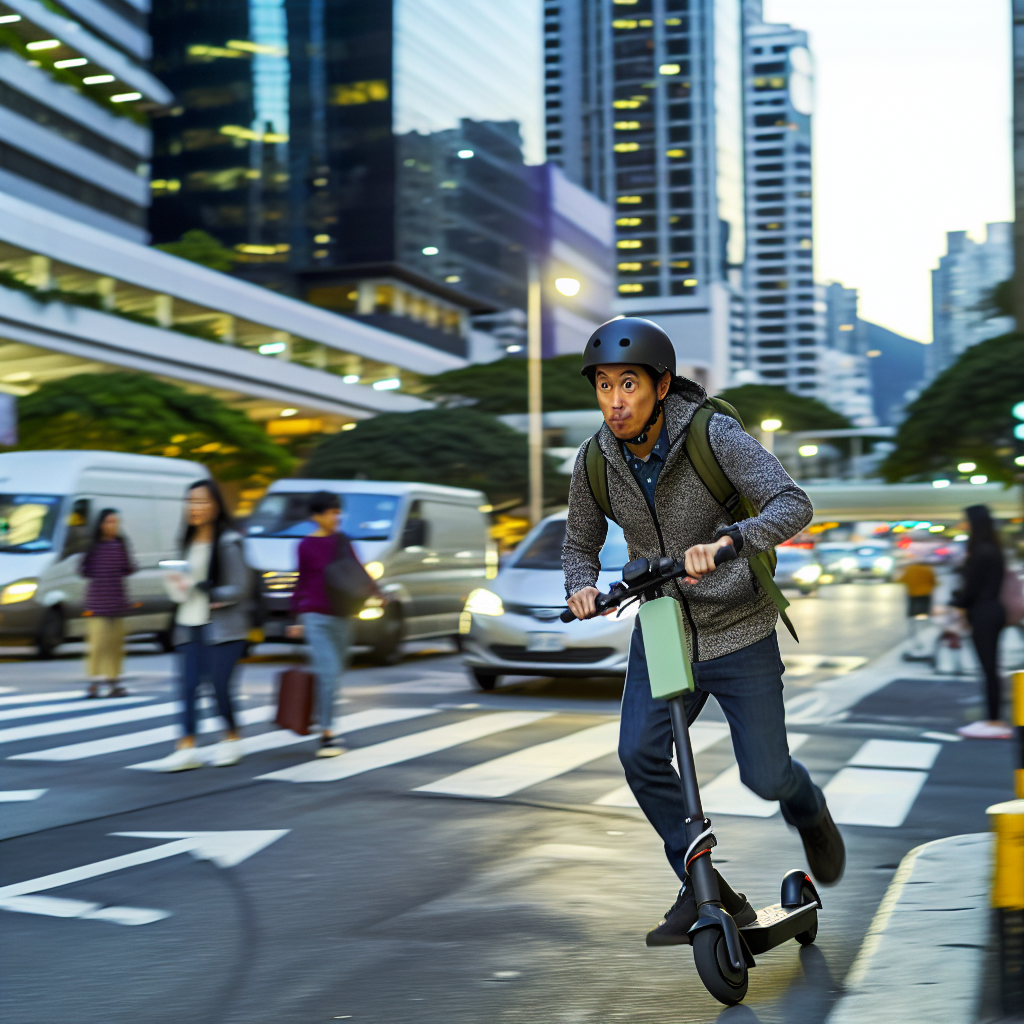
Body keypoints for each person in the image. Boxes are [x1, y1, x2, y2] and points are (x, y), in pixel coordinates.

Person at [563, 317, 845, 947]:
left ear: (661, 386)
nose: (614, 401)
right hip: (663, 628)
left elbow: (791, 502)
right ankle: (704, 891)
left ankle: (809, 809)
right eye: (604, 386)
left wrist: (728, 542)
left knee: (765, 778)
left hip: (739, 626)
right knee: (639, 755)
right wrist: (581, 586)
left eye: (628, 385)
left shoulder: (711, 434)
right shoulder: (594, 460)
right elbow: (579, 543)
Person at [157, 479, 251, 771]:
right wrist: (176, 584)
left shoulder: (228, 542)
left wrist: (208, 591)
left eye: (201, 501)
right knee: (187, 688)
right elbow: (183, 586)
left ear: (216, 505)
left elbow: (240, 587)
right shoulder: (185, 542)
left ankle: (231, 739)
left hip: (223, 628)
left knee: (219, 686)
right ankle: (186, 748)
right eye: (191, 502)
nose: (195, 508)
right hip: (189, 624)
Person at [287, 491, 371, 757]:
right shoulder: (305, 545)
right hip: (315, 616)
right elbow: (300, 583)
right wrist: (296, 618)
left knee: (335, 673)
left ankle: (322, 717)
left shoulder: (343, 541)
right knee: (329, 673)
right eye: (332, 512)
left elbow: (358, 572)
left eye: (338, 512)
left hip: (344, 615)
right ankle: (327, 733)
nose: (337, 517)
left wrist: (375, 594)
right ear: (317, 516)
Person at [952, 504, 1010, 739]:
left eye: (966, 521)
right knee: (991, 668)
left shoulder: (980, 551)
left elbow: (971, 589)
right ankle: (994, 719)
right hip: (994, 610)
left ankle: (994, 721)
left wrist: (957, 603)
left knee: (988, 669)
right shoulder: (993, 548)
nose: (963, 524)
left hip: (983, 613)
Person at [79, 509, 135, 698]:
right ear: (101, 524)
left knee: (115, 647)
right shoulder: (93, 547)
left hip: (117, 603)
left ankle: (114, 682)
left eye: (115, 522)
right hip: (98, 604)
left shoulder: (121, 544)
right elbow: (83, 570)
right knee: (97, 645)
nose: (113, 526)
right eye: (109, 522)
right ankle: (94, 682)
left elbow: (129, 567)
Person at [897, 558, 936, 660]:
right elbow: (933, 581)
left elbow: (902, 580)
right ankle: (922, 637)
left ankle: (914, 638)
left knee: (913, 618)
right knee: (923, 617)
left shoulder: (910, 569)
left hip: (913, 595)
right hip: (925, 595)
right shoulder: (928, 569)